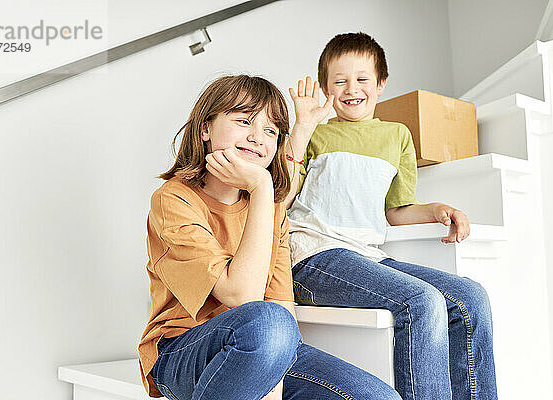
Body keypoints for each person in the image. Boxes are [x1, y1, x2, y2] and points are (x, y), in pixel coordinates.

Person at [137, 74, 401, 400]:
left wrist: (273, 389)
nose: (257, 138)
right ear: (205, 129)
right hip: (183, 349)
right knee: (267, 324)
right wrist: (262, 186)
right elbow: (241, 295)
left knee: (379, 397)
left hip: (267, 343)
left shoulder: (271, 210)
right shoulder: (173, 199)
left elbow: (281, 306)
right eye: (244, 120)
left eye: (270, 131)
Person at [284, 33, 498, 400]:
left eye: (363, 78)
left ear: (381, 84)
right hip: (314, 256)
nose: (352, 88)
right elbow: (282, 198)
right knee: (421, 302)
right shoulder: (315, 135)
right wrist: (300, 131)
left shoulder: (397, 136)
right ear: (325, 88)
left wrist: (436, 210)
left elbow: (394, 211)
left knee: (471, 297)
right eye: (340, 80)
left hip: (367, 255)